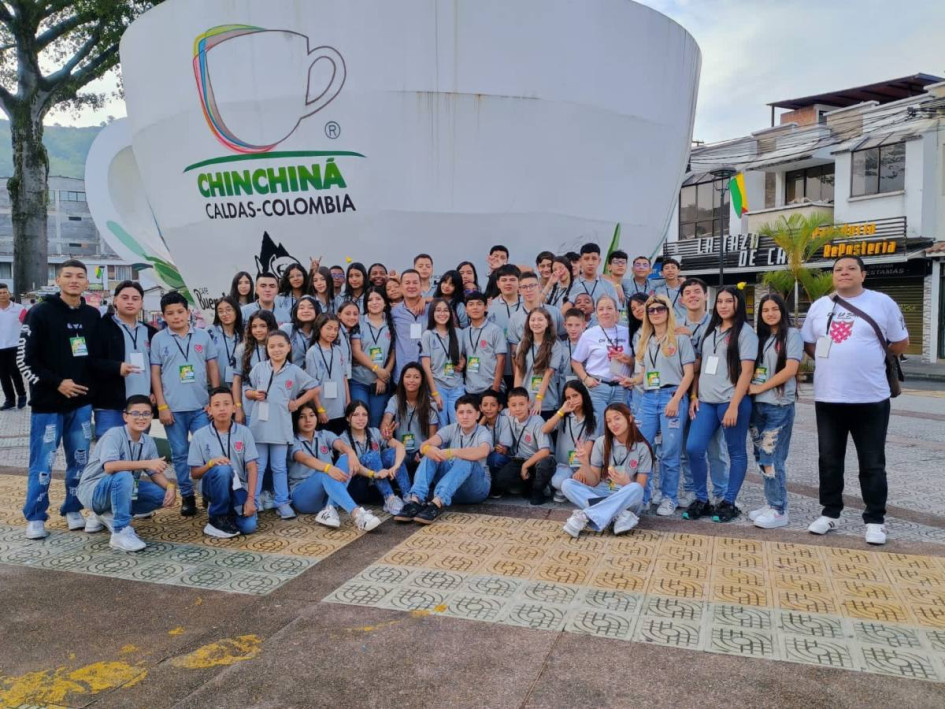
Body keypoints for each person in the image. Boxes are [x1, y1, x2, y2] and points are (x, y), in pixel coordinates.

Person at [801, 255, 909, 545]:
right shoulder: (820, 306)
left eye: (851, 268)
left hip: (870, 398)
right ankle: (830, 512)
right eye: (838, 269)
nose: (844, 273)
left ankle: (875, 519)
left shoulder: (882, 302)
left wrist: (870, 358)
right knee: (829, 460)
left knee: (872, 462)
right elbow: (809, 343)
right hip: (828, 397)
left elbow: (900, 342)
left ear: (863, 274)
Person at [19, 260, 102, 539]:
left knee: (80, 460)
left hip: (81, 405)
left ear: (87, 282)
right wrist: (57, 383)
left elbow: (95, 359)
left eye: (79, 276)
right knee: (42, 463)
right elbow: (24, 360)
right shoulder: (39, 312)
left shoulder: (92, 315)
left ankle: (73, 508)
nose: (74, 280)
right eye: (68, 275)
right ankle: (35, 515)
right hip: (47, 405)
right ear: (58, 280)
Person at [683, 286, 757, 523]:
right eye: (720, 301)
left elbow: (747, 371)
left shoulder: (745, 332)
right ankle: (702, 499)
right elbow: (702, 366)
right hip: (705, 402)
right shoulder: (711, 329)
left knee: (736, 452)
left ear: (738, 304)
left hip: (730, 401)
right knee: (694, 448)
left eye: (729, 301)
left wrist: (735, 405)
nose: (723, 305)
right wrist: (694, 395)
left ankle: (729, 501)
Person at [150, 291, 221, 519]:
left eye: (180, 311)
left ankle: (208, 492)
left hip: (201, 407)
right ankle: (187, 496)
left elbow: (212, 368)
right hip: (173, 409)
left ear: (188, 312)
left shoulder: (203, 336)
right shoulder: (159, 339)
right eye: (170, 313)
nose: (176, 316)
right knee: (180, 454)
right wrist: (162, 406)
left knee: (207, 451)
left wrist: (214, 400)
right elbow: (155, 373)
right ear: (163, 316)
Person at [77, 395, 177, 551]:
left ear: (152, 416)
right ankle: (120, 532)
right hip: (93, 491)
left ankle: (104, 514)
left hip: (122, 486)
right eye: (135, 413)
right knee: (124, 476)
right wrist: (147, 463)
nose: (141, 418)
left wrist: (170, 486)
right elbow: (110, 467)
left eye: (146, 414)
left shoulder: (148, 441)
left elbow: (154, 472)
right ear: (125, 416)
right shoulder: (114, 435)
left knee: (159, 495)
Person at [632, 295, 695, 516]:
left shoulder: (680, 339)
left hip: (671, 394)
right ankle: (644, 495)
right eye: (651, 310)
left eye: (660, 309)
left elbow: (689, 373)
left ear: (668, 311)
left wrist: (676, 400)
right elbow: (644, 373)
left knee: (670, 451)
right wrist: (631, 380)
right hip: (649, 397)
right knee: (643, 448)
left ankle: (669, 497)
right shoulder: (645, 340)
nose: (656, 313)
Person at [245, 330, 317, 519]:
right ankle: (253, 502)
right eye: (272, 346)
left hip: (280, 426)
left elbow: (314, 387)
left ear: (288, 347)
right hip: (259, 427)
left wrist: (297, 403)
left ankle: (282, 502)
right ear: (266, 349)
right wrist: (253, 394)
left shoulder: (294, 370)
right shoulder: (259, 368)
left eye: (280, 345)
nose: (276, 349)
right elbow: (246, 389)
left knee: (279, 467)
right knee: (258, 466)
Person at [748, 293, 802, 530]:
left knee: (771, 457)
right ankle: (771, 502)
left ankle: (779, 509)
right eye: (765, 310)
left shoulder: (792, 335)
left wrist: (761, 387)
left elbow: (790, 369)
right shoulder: (760, 338)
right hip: (757, 406)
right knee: (760, 456)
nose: (770, 313)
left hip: (778, 406)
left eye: (774, 309)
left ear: (782, 311)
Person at [394, 394, 491, 524]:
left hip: (476, 489)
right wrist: (428, 450)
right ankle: (415, 500)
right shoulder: (451, 429)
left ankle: (436, 504)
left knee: (466, 459)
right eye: (461, 412)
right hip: (453, 490)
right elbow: (425, 445)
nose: (465, 416)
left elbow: (483, 451)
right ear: (456, 415)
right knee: (431, 454)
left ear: (477, 414)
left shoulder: (483, 432)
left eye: (469, 412)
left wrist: (452, 452)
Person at [561, 403, 651, 538]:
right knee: (567, 484)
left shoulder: (643, 448)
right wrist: (585, 464)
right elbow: (594, 481)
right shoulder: (601, 442)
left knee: (636, 488)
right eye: (609, 421)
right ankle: (617, 515)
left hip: (627, 498)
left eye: (617, 418)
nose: (613, 424)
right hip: (603, 492)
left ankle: (586, 515)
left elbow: (640, 488)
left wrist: (626, 483)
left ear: (629, 418)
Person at [288, 401, 381, 531]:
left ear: (316, 417)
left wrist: (351, 453)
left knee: (346, 458)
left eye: (311, 415)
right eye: (302, 417)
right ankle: (357, 514)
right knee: (324, 472)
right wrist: (328, 468)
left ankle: (329, 510)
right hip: (303, 496)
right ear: (296, 419)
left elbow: (341, 445)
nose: (308, 420)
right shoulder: (292, 440)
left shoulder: (324, 435)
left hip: (328, 493)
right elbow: (304, 458)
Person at [675, 277, 727, 507]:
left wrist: (693, 361)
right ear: (681, 299)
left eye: (697, 291)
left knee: (715, 448)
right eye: (688, 293)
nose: (693, 296)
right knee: (687, 447)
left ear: (706, 295)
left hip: (709, 395)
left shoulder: (717, 326)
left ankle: (721, 493)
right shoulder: (674, 326)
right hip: (681, 392)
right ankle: (692, 491)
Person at [187, 387, 260, 537]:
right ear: (209, 410)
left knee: (249, 527)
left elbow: (252, 468)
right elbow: (194, 474)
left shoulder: (244, 432)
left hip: (238, 487)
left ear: (234, 407)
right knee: (224, 469)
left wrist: (250, 500)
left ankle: (228, 511)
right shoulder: (200, 435)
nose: (222, 409)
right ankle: (217, 518)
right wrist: (211, 464)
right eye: (217, 405)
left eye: (226, 404)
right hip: (211, 487)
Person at [93, 281, 156, 435]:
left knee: (138, 448)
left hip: (141, 405)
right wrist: (117, 367)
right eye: (125, 297)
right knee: (110, 448)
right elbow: (91, 361)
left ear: (141, 303)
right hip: (110, 405)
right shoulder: (101, 327)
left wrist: (154, 391)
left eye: (135, 298)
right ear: (115, 300)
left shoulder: (151, 332)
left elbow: (157, 367)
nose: (130, 302)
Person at [569, 295, 631, 432]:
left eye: (609, 308)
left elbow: (637, 361)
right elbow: (575, 361)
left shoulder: (627, 333)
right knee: (600, 429)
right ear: (596, 313)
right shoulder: (589, 334)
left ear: (616, 312)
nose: (605, 312)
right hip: (598, 388)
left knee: (620, 429)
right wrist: (585, 378)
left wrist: (629, 362)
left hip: (621, 388)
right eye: (601, 309)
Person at [340, 400, 410, 515]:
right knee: (372, 456)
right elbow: (351, 467)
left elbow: (399, 446)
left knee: (392, 452)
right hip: (359, 485)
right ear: (348, 418)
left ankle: (409, 497)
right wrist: (374, 474)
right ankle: (390, 499)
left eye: (364, 415)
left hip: (378, 484)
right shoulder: (342, 439)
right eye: (356, 415)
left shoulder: (374, 432)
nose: (361, 418)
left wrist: (395, 466)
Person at [491, 387, 555, 504]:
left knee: (545, 464)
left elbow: (545, 451)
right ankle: (529, 484)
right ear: (508, 406)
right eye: (513, 405)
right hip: (520, 459)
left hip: (537, 460)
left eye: (521, 404)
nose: (517, 409)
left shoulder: (537, 421)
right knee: (501, 480)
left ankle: (538, 489)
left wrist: (525, 466)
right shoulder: (507, 414)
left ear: (529, 403)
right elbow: (490, 413)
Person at [380, 362, 439, 474]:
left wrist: (423, 453)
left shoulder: (430, 404)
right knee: (390, 454)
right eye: (408, 376)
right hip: (401, 451)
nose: (411, 380)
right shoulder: (395, 400)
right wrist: (386, 431)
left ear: (422, 381)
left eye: (416, 377)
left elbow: (433, 437)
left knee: (433, 455)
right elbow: (387, 418)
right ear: (402, 379)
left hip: (421, 452)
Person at [542, 380, 595, 502]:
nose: (572, 400)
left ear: (583, 395)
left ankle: (567, 489)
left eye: (575, 395)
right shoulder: (563, 416)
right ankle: (565, 488)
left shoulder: (593, 417)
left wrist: (583, 467)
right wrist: (561, 411)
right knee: (557, 481)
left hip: (583, 465)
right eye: (568, 398)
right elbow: (545, 429)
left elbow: (590, 443)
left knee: (590, 481)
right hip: (564, 465)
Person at [350, 288, 395, 426]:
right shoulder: (359, 322)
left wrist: (383, 376)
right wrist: (377, 369)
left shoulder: (392, 322)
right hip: (359, 380)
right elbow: (356, 351)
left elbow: (394, 352)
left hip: (381, 382)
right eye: (370, 300)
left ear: (385, 303)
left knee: (375, 421)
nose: (374, 302)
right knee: (360, 419)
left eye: (378, 299)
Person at [421, 298, 466, 426]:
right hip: (438, 386)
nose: (442, 314)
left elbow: (464, 355)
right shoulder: (428, 335)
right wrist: (434, 393)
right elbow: (426, 366)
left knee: (459, 423)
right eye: (438, 310)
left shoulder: (459, 333)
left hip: (457, 386)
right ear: (432, 313)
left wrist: (463, 361)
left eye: (446, 310)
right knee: (441, 425)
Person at [513, 308, 565, 418]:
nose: (536, 323)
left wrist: (539, 399)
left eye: (540, 320)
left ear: (547, 323)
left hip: (545, 403)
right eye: (533, 320)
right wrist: (516, 399)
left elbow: (548, 374)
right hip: (525, 403)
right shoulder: (522, 344)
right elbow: (519, 373)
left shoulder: (555, 345)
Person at [306, 313, 349, 435]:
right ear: (319, 328)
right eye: (329, 328)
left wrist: (348, 402)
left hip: (340, 409)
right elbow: (311, 386)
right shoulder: (312, 352)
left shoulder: (339, 350)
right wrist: (319, 409)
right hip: (324, 410)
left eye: (336, 329)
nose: (332, 332)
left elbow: (344, 378)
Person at [232, 310, 278, 423]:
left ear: (271, 327)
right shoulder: (242, 349)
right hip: (250, 407)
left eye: (263, 326)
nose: (258, 330)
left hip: (275, 407)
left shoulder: (278, 348)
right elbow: (237, 380)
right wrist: (238, 407)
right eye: (254, 326)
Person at [461, 292, 506, 396]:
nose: (475, 307)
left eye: (479, 304)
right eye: (471, 304)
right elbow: (462, 356)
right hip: (470, 388)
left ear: (486, 307)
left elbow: (501, 359)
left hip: (491, 387)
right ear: (466, 309)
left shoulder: (495, 330)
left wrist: (495, 387)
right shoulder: (464, 333)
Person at [486, 264, 522, 387]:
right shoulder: (489, 307)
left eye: (512, 279)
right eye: (504, 280)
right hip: (496, 369)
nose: (508, 283)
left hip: (522, 367)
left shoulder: (528, 305)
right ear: (498, 283)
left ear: (519, 282)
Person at [390, 269, 428, 383]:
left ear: (421, 286)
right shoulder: (394, 312)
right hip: (402, 373)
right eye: (407, 283)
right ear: (401, 287)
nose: (411, 286)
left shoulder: (432, 310)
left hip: (427, 373)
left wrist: (425, 299)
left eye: (415, 282)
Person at [509, 271, 565, 344]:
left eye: (532, 285)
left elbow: (564, 337)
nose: (528, 290)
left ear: (539, 287)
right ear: (519, 291)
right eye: (524, 287)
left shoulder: (555, 312)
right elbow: (514, 347)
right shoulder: (514, 318)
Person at [0, 282, 27, 410]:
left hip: (15, 345)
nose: (2, 295)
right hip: (0, 346)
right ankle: (9, 400)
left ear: (9, 293)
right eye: (0, 293)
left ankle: (22, 395)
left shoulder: (19, 309)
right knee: (3, 375)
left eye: (4, 292)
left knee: (14, 371)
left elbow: (27, 326)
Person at [208, 296, 243, 389]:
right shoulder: (210, 332)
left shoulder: (242, 335)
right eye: (220, 311)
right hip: (215, 388)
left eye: (228, 310)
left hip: (238, 387)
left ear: (236, 311)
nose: (225, 314)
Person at [478, 388, 513, 479]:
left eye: (493, 405)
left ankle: (496, 482)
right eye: (485, 405)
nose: (488, 408)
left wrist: (501, 449)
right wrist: (482, 422)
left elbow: (502, 450)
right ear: (480, 408)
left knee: (497, 458)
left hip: (503, 457)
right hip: (486, 455)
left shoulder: (504, 420)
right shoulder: (481, 425)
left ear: (499, 407)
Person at [280, 296, 319, 368]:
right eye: (301, 308)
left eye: (310, 308)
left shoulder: (320, 332)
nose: (306, 311)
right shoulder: (287, 329)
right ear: (296, 312)